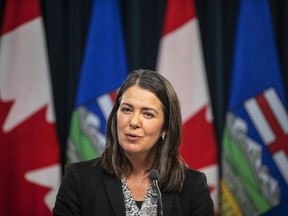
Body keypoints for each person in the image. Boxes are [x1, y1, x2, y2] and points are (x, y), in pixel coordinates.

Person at [53, 69, 214, 216]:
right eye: (127, 110)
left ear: (165, 128)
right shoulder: (79, 179)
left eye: (148, 114)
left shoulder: (193, 187)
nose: (134, 122)